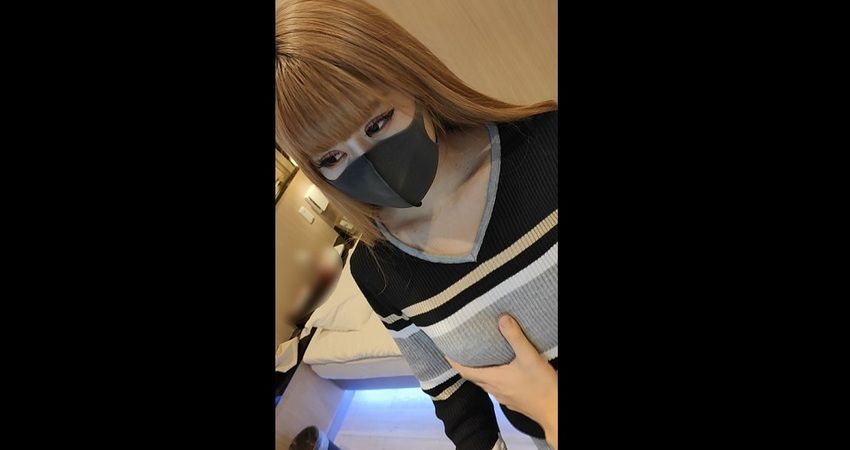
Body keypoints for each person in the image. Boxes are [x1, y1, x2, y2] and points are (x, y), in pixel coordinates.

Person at [276, 1, 558, 449]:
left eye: (378, 121)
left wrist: (549, 406)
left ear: (410, 78)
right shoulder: (376, 271)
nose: (370, 161)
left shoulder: (548, 145)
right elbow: (456, 402)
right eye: (331, 157)